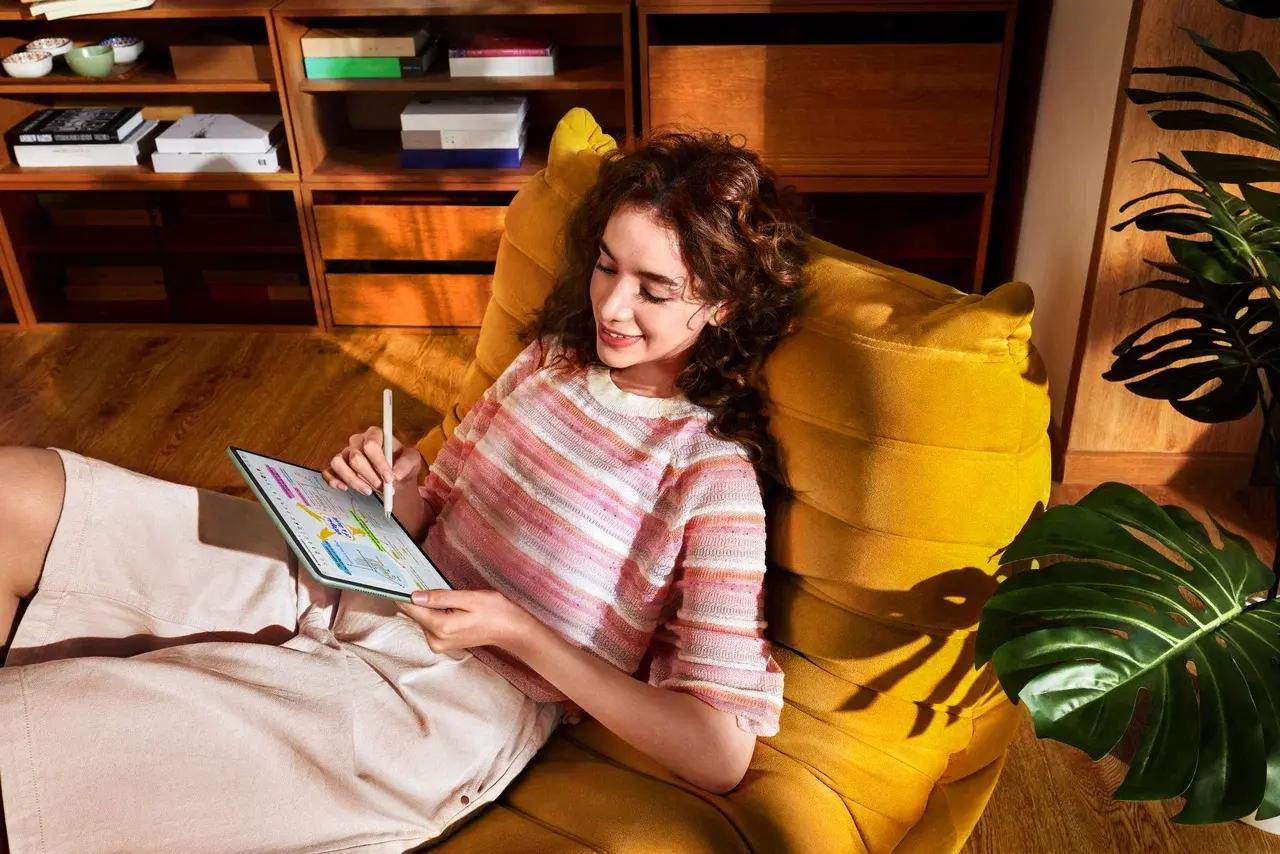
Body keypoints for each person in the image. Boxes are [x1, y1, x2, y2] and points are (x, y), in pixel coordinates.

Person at [0, 128, 809, 853]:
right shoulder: (548, 364)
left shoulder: (711, 478)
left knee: (49, 737)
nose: (612, 305)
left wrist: (522, 634)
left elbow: (719, 752)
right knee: (16, 491)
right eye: (606, 265)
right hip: (361, 584)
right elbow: (426, 517)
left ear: (721, 304)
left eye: (653, 289)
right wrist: (400, 484)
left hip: (451, 702)